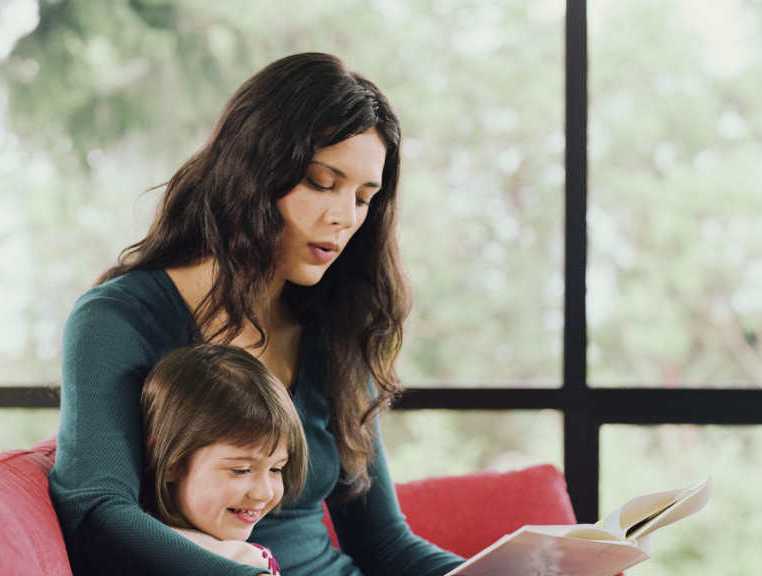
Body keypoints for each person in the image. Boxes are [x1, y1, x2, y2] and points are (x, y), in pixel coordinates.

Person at [49, 52, 465, 576]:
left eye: (364, 197)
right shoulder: (119, 320)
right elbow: (96, 516)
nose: (344, 217)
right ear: (253, 169)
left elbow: (383, 545)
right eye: (321, 182)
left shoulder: (334, 327)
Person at [140, 343, 308, 576]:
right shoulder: (234, 564)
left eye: (276, 469)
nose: (265, 493)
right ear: (169, 461)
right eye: (241, 470)